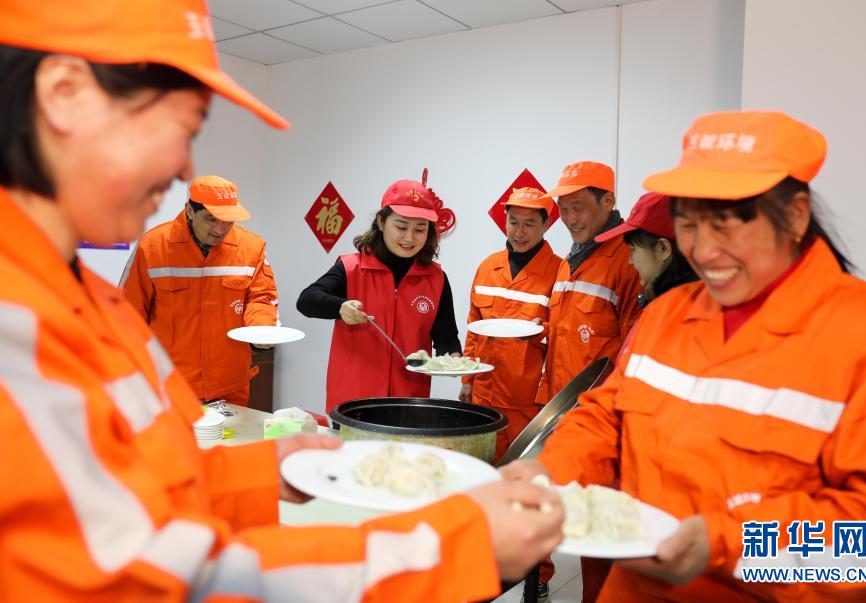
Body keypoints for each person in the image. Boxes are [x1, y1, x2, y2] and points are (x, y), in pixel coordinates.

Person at [0, 2, 564, 601]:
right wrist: (450, 548)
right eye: (179, 127)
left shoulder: (84, 297)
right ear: (65, 96)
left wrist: (260, 470)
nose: (183, 168)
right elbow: (150, 571)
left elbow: (143, 482)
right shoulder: (20, 324)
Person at [502, 110, 866, 601]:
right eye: (688, 226)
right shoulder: (667, 314)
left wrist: (726, 545)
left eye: (726, 226)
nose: (704, 252)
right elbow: (607, 418)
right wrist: (551, 469)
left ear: (795, 216)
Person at [532, 161, 643, 600]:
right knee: (573, 517)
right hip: (564, 412)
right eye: (564, 208)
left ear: (609, 202)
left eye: (579, 207)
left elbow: (633, 349)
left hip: (603, 421)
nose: (570, 218)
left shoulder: (628, 260)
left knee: (601, 532)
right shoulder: (569, 261)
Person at [297, 172, 462, 413]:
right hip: (354, 402)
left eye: (420, 229)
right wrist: (340, 307)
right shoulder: (352, 267)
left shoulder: (436, 279)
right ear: (382, 222)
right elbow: (307, 300)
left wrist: (455, 361)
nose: (409, 238)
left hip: (409, 403)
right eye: (401, 226)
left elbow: (446, 337)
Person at [120, 175, 278, 406]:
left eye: (228, 221)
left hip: (230, 384)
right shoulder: (153, 246)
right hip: (170, 383)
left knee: (233, 442)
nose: (220, 229)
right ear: (190, 211)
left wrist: (260, 330)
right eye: (211, 219)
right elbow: (127, 311)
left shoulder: (251, 248)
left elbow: (261, 297)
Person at [459, 187, 562, 461]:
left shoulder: (559, 272)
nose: (519, 232)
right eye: (513, 222)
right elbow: (474, 327)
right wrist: (468, 380)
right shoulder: (487, 267)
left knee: (517, 472)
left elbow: (563, 337)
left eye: (529, 224)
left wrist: (541, 333)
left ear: (546, 225)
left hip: (526, 400)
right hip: (483, 392)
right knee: (480, 466)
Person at [596, 191, 698, 311]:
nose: (630, 261)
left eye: (633, 250)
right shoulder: (668, 305)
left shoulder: (677, 313)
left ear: (663, 248)